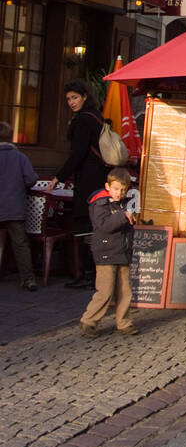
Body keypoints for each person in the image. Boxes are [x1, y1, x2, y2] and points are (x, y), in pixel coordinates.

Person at [49, 80, 107, 290]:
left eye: (74, 98)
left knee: (85, 226)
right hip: (100, 179)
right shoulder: (97, 116)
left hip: (89, 180)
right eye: (68, 99)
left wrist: (59, 177)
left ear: (84, 96)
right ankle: (92, 275)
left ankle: (87, 275)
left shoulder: (83, 120)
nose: (71, 102)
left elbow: (78, 154)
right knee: (95, 226)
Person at [79, 166, 139, 337]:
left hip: (123, 252)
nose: (119, 193)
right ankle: (88, 321)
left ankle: (124, 323)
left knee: (125, 291)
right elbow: (104, 225)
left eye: (122, 189)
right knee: (105, 291)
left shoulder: (125, 203)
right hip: (105, 252)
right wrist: (123, 216)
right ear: (107, 187)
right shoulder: (100, 204)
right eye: (115, 189)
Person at [0, 121, 39, 291]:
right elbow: (31, 179)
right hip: (14, 206)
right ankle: (28, 279)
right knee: (20, 243)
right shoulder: (20, 157)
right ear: (12, 137)